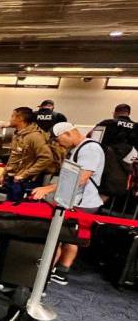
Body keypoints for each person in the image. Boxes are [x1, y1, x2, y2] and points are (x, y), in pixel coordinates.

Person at [31, 122, 105, 286]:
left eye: (58, 140)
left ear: (67, 134)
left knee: (58, 235)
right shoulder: (81, 148)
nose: (59, 144)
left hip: (82, 202)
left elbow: (81, 179)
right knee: (70, 237)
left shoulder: (89, 149)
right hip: (80, 200)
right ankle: (62, 272)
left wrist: (48, 189)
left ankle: (46, 273)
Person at [0, 107, 55, 202]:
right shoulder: (18, 134)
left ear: (20, 118)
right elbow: (14, 156)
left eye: (12, 116)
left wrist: (25, 174)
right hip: (13, 178)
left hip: (25, 181)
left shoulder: (35, 136)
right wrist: (4, 174)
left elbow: (46, 158)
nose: (10, 119)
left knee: (19, 210)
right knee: (9, 207)